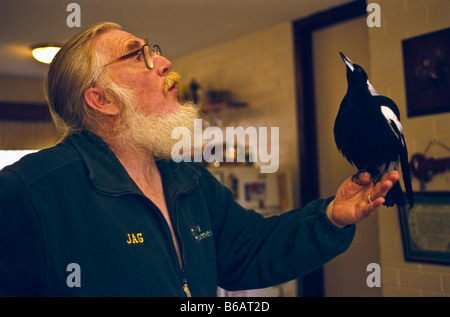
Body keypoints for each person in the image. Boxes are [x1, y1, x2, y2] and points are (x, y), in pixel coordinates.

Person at [0, 22, 399, 296]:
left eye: (152, 50)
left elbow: (250, 250)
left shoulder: (187, 178)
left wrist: (330, 217)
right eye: (137, 56)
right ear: (101, 100)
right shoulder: (29, 192)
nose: (164, 62)